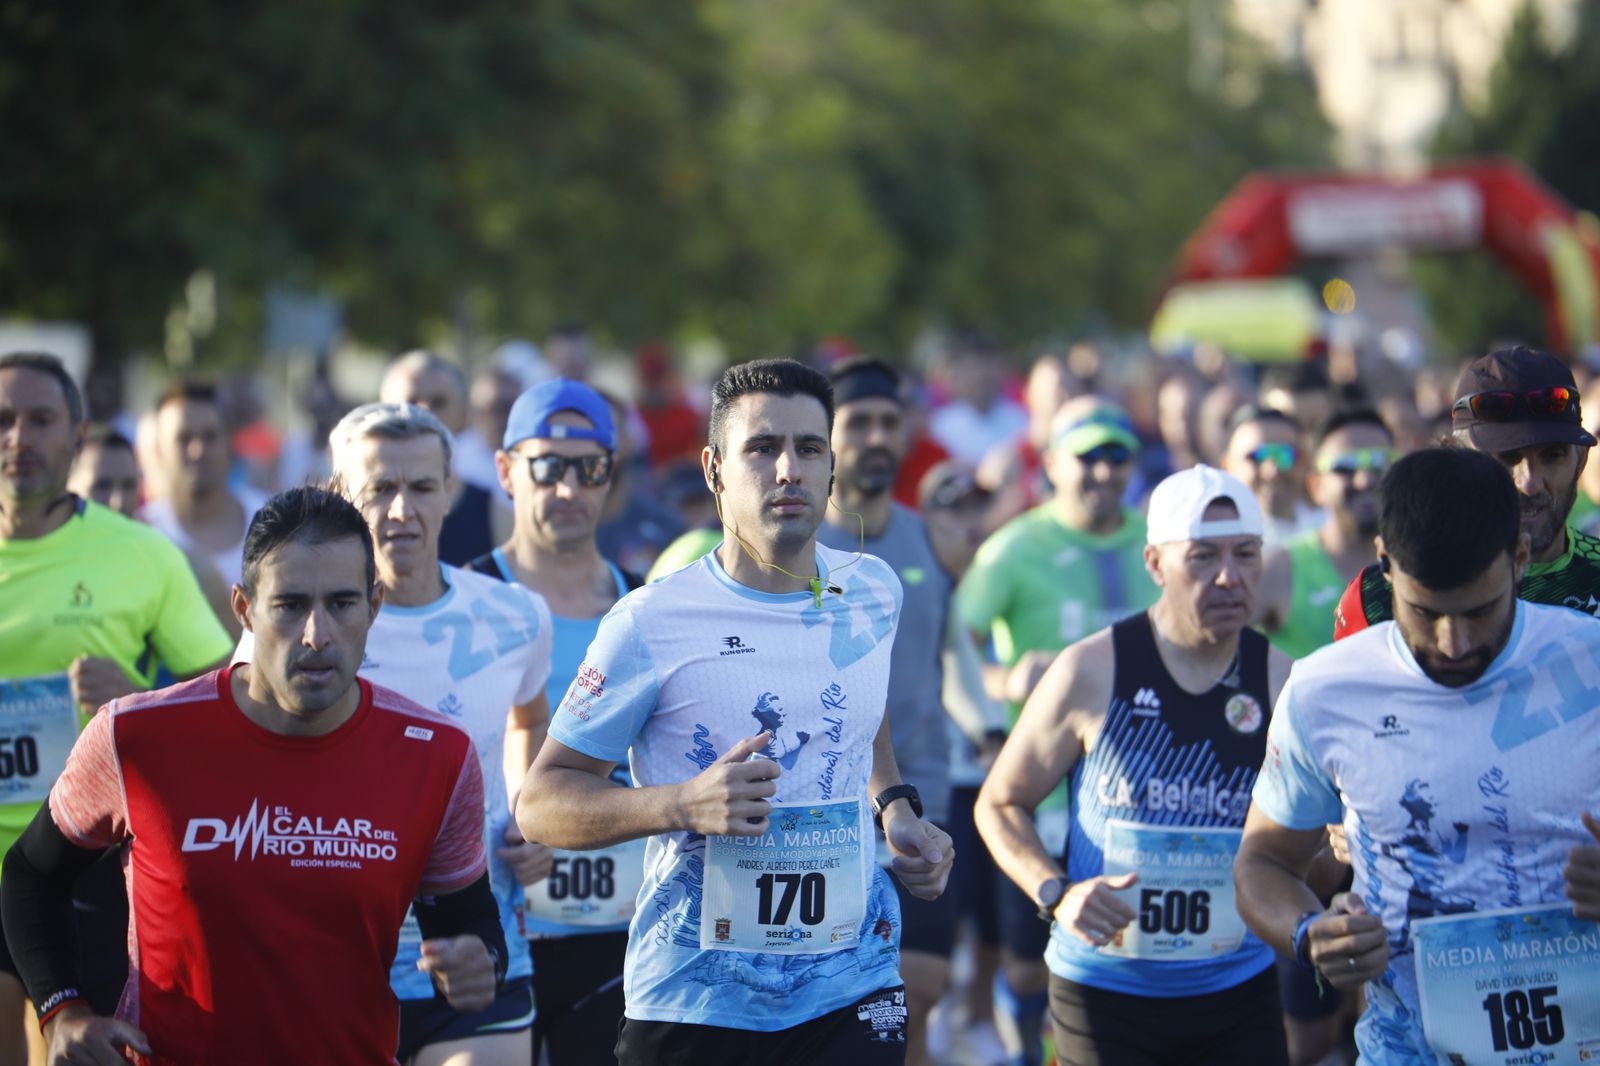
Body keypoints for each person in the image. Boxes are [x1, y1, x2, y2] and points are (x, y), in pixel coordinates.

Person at [517, 358, 954, 1066]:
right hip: (698, 997)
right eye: (762, 448)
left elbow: (858, 714)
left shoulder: (873, 590)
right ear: (715, 469)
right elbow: (540, 803)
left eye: (809, 448)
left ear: (832, 468)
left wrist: (896, 808)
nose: (789, 470)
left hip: (853, 983)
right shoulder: (651, 620)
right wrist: (680, 803)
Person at [0, 486, 506, 1065]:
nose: (317, 634)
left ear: (375, 604)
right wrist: (62, 1012)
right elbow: (30, 873)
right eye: (290, 605)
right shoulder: (135, 736)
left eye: (341, 604)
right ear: (244, 609)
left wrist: (482, 959)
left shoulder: (436, 756)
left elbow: (469, 919)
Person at [1236, 447, 1600, 1065]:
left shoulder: (1589, 662)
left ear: (1518, 560)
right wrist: (1309, 933)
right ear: (1384, 565)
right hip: (1406, 1050)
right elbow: (1262, 863)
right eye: (1425, 612)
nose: (1453, 642)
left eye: (1480, 611)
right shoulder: (1325, 690)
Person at [976, 465, 1293, 1066]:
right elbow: (999, 802)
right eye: (1202, 557)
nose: (1230, 577)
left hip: (1237, 990)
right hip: (1103, 992)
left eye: (1246, 554)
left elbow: (1314, 838)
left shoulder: (1281, 680)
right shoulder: (1092, 670)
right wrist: (1056, 893)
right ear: (1154, 564)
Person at [0, 353, 235, 1065]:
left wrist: (134, 695)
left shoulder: (143, 555)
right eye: (3, 421)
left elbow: (225, 690)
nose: (18, 438)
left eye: (40, 420)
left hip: (82, 863)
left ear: (77, 436)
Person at [301, 402, 552, 1066]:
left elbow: (529, 720)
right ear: (342, 495)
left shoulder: (516, 615)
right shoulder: (299, 625)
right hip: (335, 957)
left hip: (478, 945)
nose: (400, 509)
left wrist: (528, 813)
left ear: (451, 493)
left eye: (421, 487)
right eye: (379, 488)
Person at [957, 396, 1159, 1066]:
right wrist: (1004, 682)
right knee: (1027, 966)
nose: (1104, 473)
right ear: (1050, 464)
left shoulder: (1156, 540)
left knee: (1125, 951)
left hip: (1141, 790)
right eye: (1088, 457)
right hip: (1041, 789)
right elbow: (955, 643)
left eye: (1117, 457)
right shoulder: (1016, 546)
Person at [466, 378, 648, 1065]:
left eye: (590, 468)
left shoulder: (644, 608)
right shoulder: (468, 604)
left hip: (618, 929)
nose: (568, 488)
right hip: (497, 924)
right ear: (508, 471)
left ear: (610, 476)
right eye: (546, 466)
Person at [817, 358, 962, 1066]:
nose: (878, 437)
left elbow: (962, 652)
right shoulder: (797, 541)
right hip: (827, 803)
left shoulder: (934, 536)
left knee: (921, 991)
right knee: (850, 1005)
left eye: (889, 422)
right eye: (860, 423)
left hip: (926, 785)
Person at [1335, 347, 1600, 636]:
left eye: (1552, 456)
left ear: (1581, 460)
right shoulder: (1380, 598)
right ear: (1454, 456)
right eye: (1506, 458)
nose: (1529, 483)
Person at [68, 428, 238, 639]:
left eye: (129, 486)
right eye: (102, 486)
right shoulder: (43, 559)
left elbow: (232, 662)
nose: (117, 502)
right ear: (68, 486)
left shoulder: (185, 565)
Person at [1256, 409, 1394, 659]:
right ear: (1315, 485)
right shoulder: (1280, 569)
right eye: (1344, 466)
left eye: (1378, 463)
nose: (1364, 480)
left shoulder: (1420, 564)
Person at [378, 351, 507, 567]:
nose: (425, 413)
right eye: (409, 403)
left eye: (438, 402)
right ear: (382, 414)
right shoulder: (357, 511)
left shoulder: (496, 516)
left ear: (464, 414)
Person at [141, 379, 269, 590]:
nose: (197, 450)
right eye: (183, 438)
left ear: (229, 443)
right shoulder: (145, 533)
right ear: (159, 449)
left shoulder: (272, 522)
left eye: (210, 437)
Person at [1220, 407, 1321, 547]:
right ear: (1226, 466)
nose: (1272, 471)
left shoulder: (1330, 532)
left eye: (1287, 455)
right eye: (1257, 456)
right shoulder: (1214, 540)